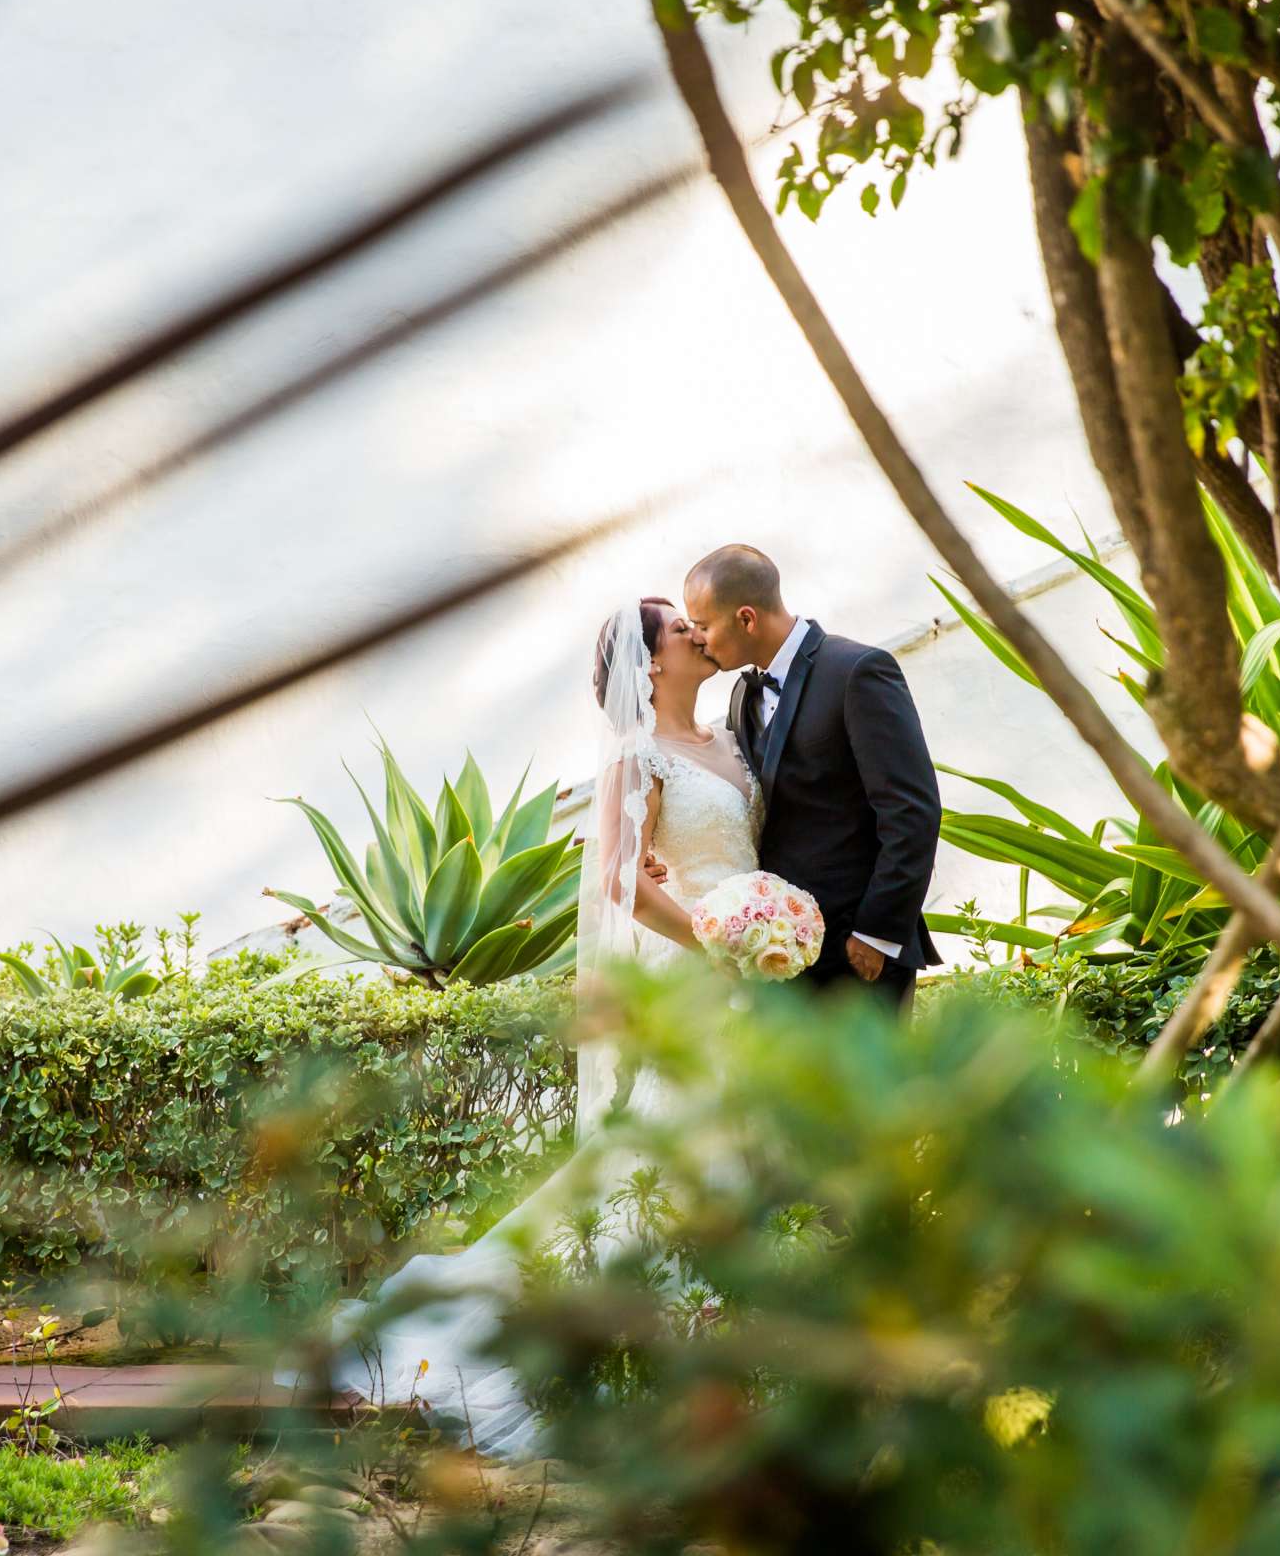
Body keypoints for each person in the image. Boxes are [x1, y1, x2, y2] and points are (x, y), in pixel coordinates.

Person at [317, 596, 760, 1458]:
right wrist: (712, 942)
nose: (699, 634)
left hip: (756, 968)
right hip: (700, 972)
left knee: (734, 1141)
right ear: (649, 665)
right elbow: (624, 884)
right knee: (680, 1146)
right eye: (679, 629)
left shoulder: (736, 742)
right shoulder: (637, 757)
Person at [682, 544, 942, 1008]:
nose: (698, 638)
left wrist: (877, 932)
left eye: (703, 625)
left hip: (860, 956)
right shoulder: (744, 694)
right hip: (781, 960)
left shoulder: (857, 671)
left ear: (746, 618)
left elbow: (912, 811)